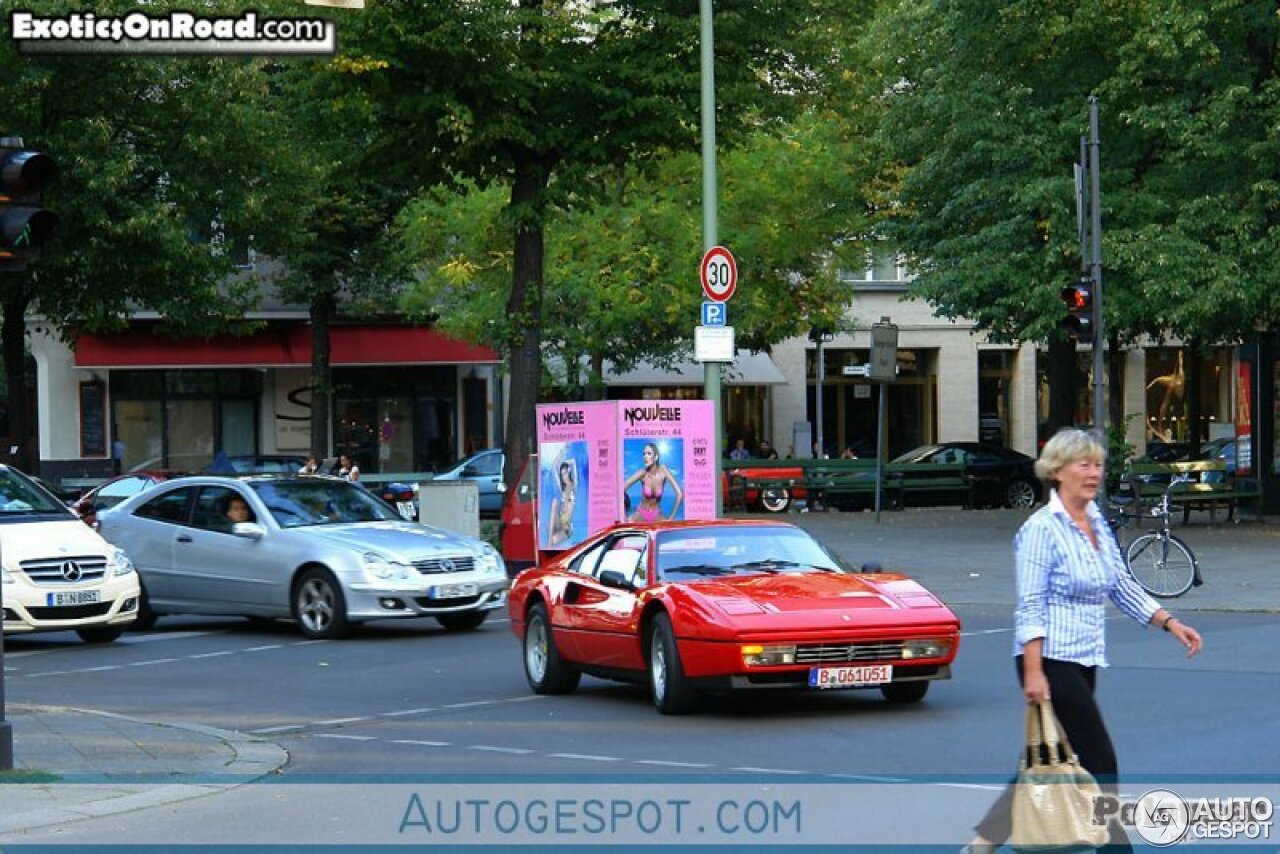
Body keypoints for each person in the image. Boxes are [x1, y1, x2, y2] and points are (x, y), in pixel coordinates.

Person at [965, 428, 1203, 854]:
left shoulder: (1095, 523)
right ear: (1058, 471)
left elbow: (1121, 586)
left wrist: (1170, 622)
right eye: (1084, 465)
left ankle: (982, 843)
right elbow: (1030, 606)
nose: (1094, 474)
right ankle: (1117, 849)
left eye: (1098, 465)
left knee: (1048, 757)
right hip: (1049, 660)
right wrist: (1034, 672)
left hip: (1083, 656)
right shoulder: (1041, 529)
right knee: (1100, 762)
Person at [623, 442, 683, 523]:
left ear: (656, 457)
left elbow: (680, 494)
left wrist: (671, 518)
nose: (645, 457)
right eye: (644, 454)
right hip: (641, 514)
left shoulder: (663, 470)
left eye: (649, 453)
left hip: (657, 515)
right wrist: (625, 516)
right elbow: (621, 489)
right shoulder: (642, 473)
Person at [548, 454, 578, 546]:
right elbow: (554, 466)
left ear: (569, 473)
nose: (564, 477)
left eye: (565, 473)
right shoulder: (562, 488)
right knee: (555, 503)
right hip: (558, 522)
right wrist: (561, 452)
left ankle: (549, 543)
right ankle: (549, 541)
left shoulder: (574, 485)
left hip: (566, 526)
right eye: (562, 475)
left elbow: (573, 462)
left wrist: (565, 463)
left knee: (553, 540)